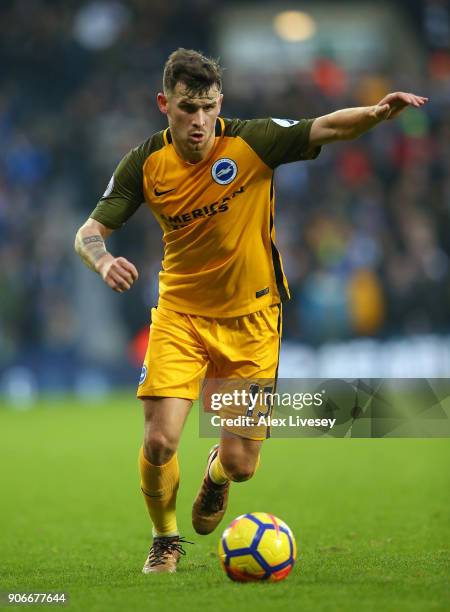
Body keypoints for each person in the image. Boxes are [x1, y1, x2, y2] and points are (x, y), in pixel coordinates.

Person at [74, 48, 427, 574]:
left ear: (221, 104)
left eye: (208, 108)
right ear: (162, 104)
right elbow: (87, 233)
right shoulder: (145, 163)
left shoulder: (252, 141)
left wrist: (374, 115)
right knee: (159, 438)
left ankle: (216, 475)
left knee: (241, 465)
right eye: (187, 108)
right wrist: (102, 263)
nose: (199, 121)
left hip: (252, 322)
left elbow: (327, 127)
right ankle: (164, 539)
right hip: (181, 317)